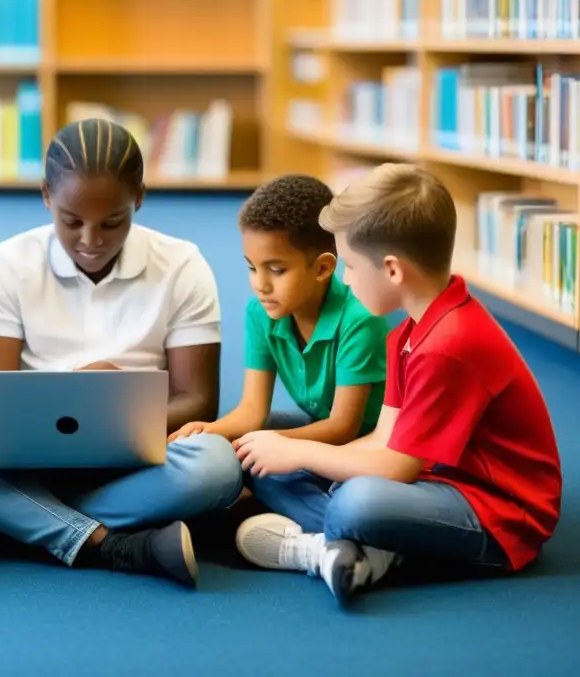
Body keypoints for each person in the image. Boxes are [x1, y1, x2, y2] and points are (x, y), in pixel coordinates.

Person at [0, 119, 243, 588]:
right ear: (45, 197)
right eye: (71, 221)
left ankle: (3, 518)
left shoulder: (182, 265)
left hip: (136, 454)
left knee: (217, 465)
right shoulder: (11, 261)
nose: (91, 240)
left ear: (139, 197)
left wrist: (114, 400)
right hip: (27, 457)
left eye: (112, 222)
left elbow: (198, 403)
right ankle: (105, 541)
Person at [232, 163, 562, 607]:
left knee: (356, 503)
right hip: (437, 481)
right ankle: (361, 548)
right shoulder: (409, 330)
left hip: (500, 515)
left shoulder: (449, 344)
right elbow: (383, 437)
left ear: (391, 271)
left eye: (349, 266)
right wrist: (291, 455)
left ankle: (323, 549)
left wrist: (300, 453)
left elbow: (396, 468)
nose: (344, 280)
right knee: (267, 457)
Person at [169, 174, 388, 448]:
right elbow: (252, 410)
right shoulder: (260, 313)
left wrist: (263, 443)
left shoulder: (359, 320)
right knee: (230, 448)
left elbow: (342, 428)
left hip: (370, 445)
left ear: (322, 268)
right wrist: (211, 430)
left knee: (255, 454)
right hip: (318, 431)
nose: (260, 285)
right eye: (251, 267)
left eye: (276, 270)